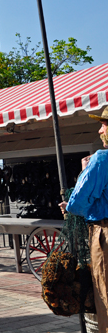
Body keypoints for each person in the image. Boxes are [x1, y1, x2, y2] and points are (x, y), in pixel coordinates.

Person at [59, 106, 108, 332]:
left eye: (104, 125)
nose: (100, 130)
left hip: (104, 232)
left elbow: (78, 202)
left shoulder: (102, 159)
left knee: (105, 293)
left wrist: (68, 206)